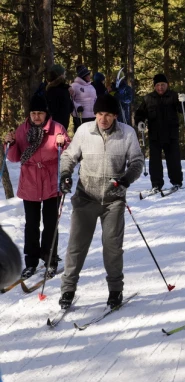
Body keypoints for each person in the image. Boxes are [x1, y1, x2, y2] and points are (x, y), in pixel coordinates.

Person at [58, 94, 144, 309]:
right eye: (99, 114)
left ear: (115, 115)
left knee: (112, 247)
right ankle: (68, 289)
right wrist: (65, 174)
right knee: (76, 246)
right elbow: (69, 156)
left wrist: (125, 180)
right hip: (85, 197)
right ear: (94, 114)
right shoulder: (84, 131)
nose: (103, 119)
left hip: (113, 200)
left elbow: (137, 161)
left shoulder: (127, 133)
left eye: (107, 114)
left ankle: (115, 290)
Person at [3, 95, 70, 278]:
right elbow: (14, 157)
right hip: (30, 182)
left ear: (46, 113)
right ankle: (30, 262)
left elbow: (69, 150)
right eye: (33, 113)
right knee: (31, 224)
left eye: (40, 113)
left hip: (50, 182)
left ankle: (50, 259)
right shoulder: (22, 130)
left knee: (50, 224)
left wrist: (62, 143)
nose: (36, 117)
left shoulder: (57, 128)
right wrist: (10, 143)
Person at [134, 73, 185, 192]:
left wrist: (184, 100)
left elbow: (183, 109)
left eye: (163, 85)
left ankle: (177, 182)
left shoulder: (174, 96)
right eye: (158, 85)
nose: (160, 87)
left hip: (171, 134)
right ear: (154, 86)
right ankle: (156, 184)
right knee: (155, 162)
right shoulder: (148, 99)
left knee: (173, 159)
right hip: (155, 135)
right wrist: (140, 122)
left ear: (167, 85)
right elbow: (140, 114)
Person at [44, 64, 74, 131]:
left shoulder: (48, 89)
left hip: (57, 125)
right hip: (57, 126)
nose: (65, 76)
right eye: (64, 74)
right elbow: (69, 107)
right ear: (60, 75)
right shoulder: (62, 90)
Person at [71, 65, 97, 133]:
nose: (89, 76)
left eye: (89, 75)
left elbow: (95, 99)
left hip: (93, 115)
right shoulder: (74, 86)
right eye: (87, 75)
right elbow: (71, 100)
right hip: (81, 116)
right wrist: (78, 107)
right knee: (81, 134)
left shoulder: (91, 86)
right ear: (83, 76)